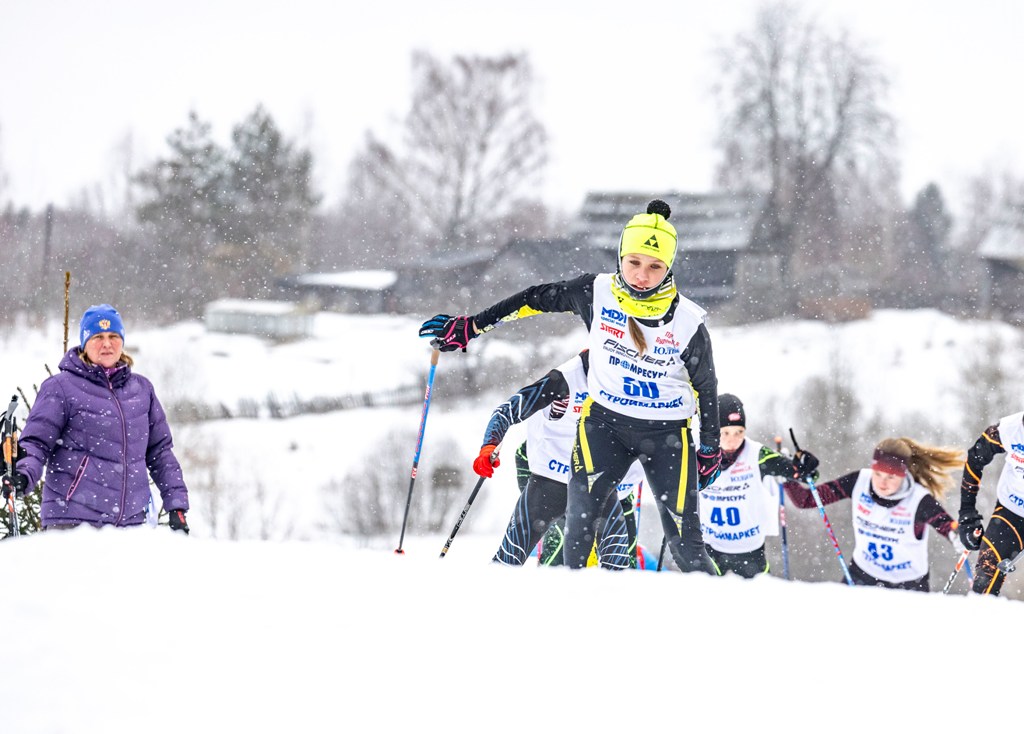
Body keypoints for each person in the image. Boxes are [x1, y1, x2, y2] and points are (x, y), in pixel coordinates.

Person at [421, 199, 722, 572]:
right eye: (634, 263)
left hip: (666, 436)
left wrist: (709, 449)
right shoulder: (595, 294)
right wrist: (472, 326)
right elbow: (533, 299)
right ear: (620, 257)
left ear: (669, 267)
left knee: (687, 548)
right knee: (574, 545)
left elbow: (706, 390)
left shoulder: (688, 323)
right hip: (602, 429)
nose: (642, 275)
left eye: (655, 266)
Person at [0, 305, 191, 532]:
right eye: (98, 337)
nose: (107, 344)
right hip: (72, 523)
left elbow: (160, 453)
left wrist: (176, 505)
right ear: (84, 343)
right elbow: (36, 443)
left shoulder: (142, 390)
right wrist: (22, 474)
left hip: (132, 525)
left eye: (113, 336)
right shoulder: (61, 388)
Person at [475, 350, 644, 569]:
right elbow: (506, 411)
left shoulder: (629, 382)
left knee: (618, 568)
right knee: (507, 562)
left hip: (596, 485)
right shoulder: (564, 379)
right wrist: (489, 445)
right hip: (549, 482)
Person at [782, 437, 963, 591]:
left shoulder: (918, 499)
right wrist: (789, 473)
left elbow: (947, 525)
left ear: (903, 474)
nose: (882, 483)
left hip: (909, 584)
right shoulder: (858, 482)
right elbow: (806, 500)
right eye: (878, 474)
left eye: (891, 477)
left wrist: (958, 536)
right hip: (862, 575)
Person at [699, 393, 818, 578]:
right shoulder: (698, 454)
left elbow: (798, 472)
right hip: (711, 546)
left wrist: (806, 467)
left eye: (739, 432)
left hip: (750, 548)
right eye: (725, 433)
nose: (733, 439)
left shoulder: (757, 454)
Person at [957, 411, 1024, 596]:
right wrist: (967, 514)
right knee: (984, 584)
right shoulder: (1008, 429)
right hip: (1012, 511)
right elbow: (974, 459)